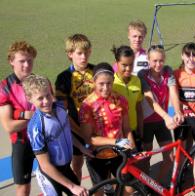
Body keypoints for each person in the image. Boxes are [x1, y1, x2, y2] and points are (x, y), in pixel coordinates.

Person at [23, 74, 88, 196]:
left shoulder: (60, 106)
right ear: (29, 98)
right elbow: (45, 165)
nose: (46, 101)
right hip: (50, 175)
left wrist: (81, 146)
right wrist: (72, 186)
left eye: (48, 95)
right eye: (40, 98)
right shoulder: (36, 127)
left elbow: (65, 132)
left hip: (66, 168)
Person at [79, 63, 135, 194]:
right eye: (101, 84)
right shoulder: (87, 106)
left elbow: (126, 128)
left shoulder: (121, 100)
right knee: (98, 192)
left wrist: (131, 143)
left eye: (109, 83)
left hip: (119, 153)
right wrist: (115, 141)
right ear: (94, 82)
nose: (105, 88)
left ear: (113, 81)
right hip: (98, 156)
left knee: (128, 189)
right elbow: (89, 139)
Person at [137, 45, 183, 183]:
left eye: (161, 60)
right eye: (155, 61)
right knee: (145, 158)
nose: (158, 64)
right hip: (147, 122)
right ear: (148, 60)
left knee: (169, 158)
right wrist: (166, 116)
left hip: (163, 120)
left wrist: (176, 112)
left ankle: (156, 184)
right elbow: (150, 99)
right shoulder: (142, 75)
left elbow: (173, 94)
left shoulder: (168, 71)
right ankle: (145, 184)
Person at [55, 33, 94, 182]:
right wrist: (82, 134)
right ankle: (77, 188)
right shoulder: (63, 77)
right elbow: (61, 113)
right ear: (70, 54)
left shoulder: (96, 70)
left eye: (86, 52)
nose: (84, 57)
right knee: (77, 163)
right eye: (79, 53)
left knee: (101, 161)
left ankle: (107, 187)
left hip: (97, 126)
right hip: (76, 128)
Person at [0, 41, 36, 196]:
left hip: (43, 139)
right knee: (23, 187)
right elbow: (9, 126)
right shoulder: (5, 87)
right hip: (22, 143)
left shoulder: (39, 81)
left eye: (30, 61)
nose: (27, 65)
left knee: (52, 180)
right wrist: (32, 117)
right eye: (22, 61)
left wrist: (21, 115)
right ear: (11, 61)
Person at [112, 45, 143, 151]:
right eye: (124, 65)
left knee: (139, 164)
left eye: (131, 64)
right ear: (116, 63)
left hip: (134, 131)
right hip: (118, 134)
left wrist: (141, 130)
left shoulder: (137, 81)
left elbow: (138, 108)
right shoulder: (111, 84)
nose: (128, 69)